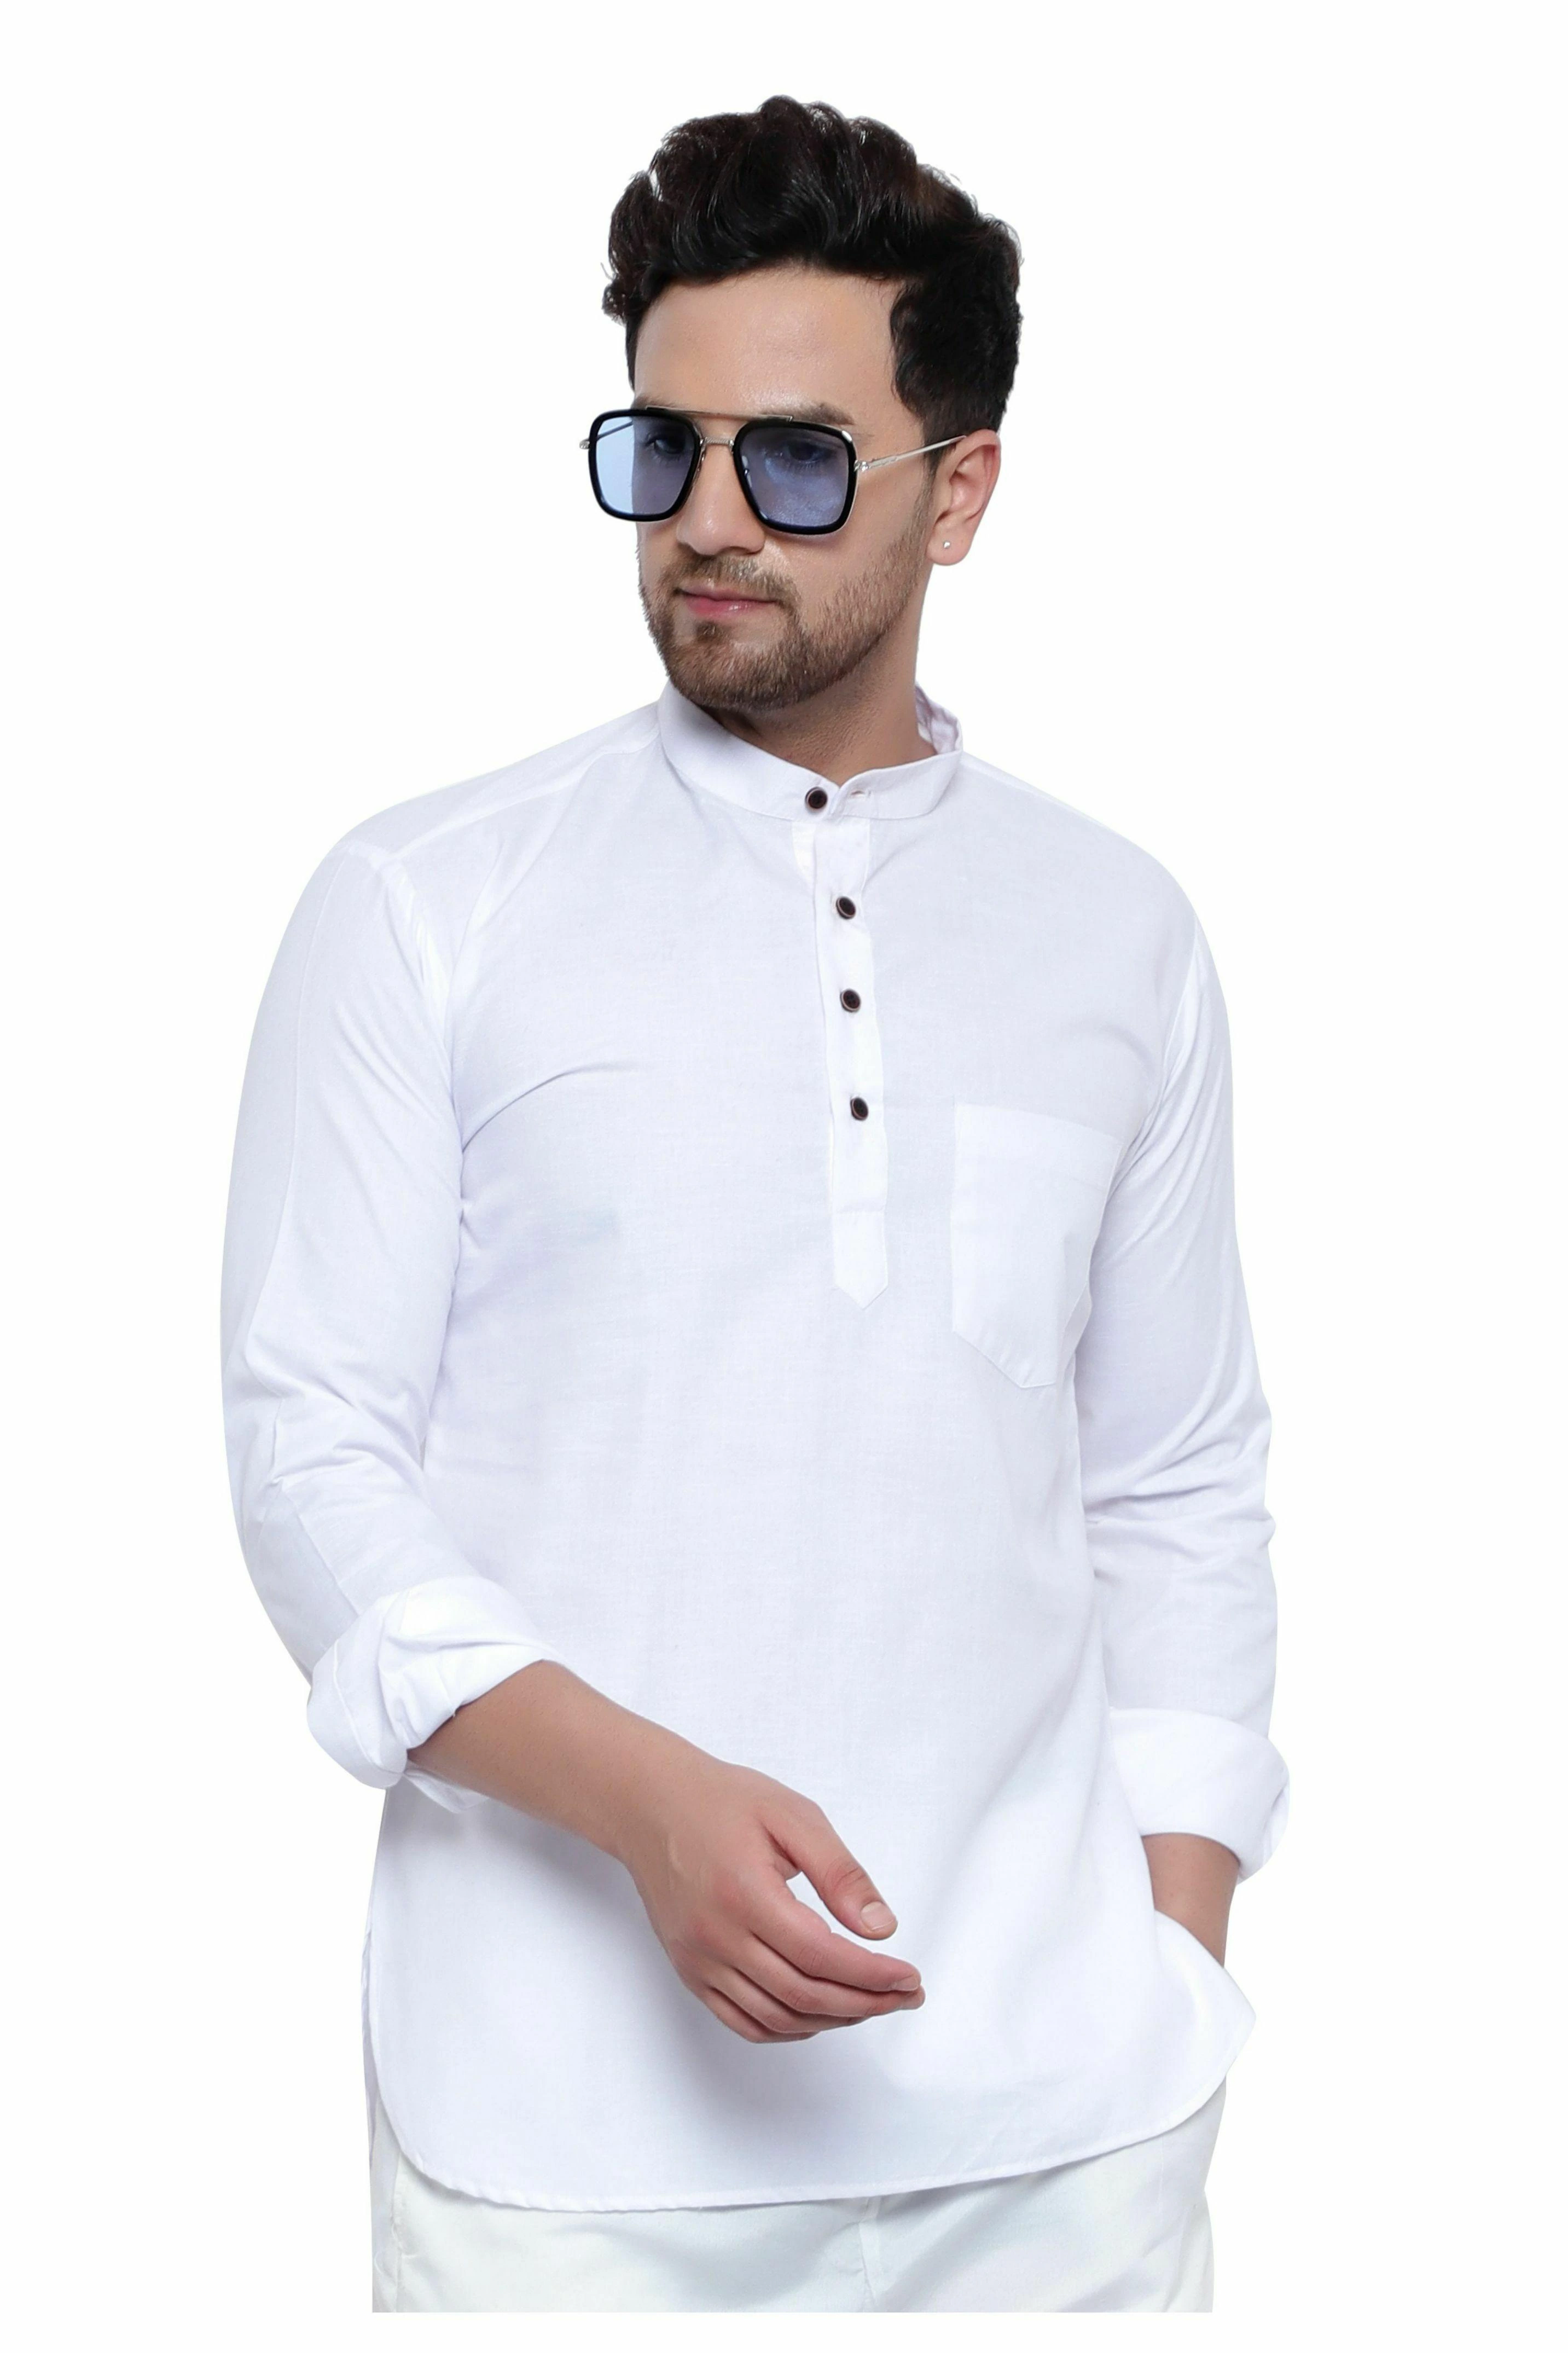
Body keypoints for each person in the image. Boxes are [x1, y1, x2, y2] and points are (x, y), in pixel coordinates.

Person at [220, 93, 1288, 2314]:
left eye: (794, 461)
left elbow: (1175, 1480)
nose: (707, 521)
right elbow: (312, 1459)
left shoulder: (1117, 931)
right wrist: (644, 1801)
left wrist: (1170, 1957)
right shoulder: (429, 902)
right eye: (664, 449)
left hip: (1064, 2155)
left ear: (958, 489)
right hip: (561, 2160)